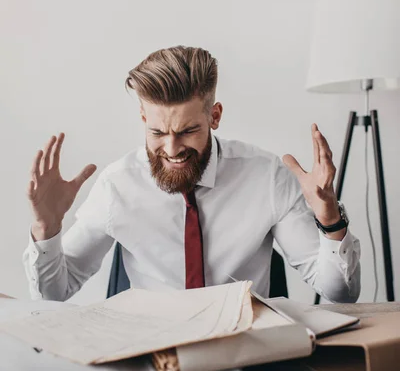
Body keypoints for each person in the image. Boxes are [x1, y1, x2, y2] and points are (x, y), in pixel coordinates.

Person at [23, 46, 360, 302]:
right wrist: (46, 228)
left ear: (214, 116)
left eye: (187, 131)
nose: (171, 149)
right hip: (154, 360)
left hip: (246, 354)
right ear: (143, 118)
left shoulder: (266, 177)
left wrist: (330, 218)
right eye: (157, 133)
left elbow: (339, 293)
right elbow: (56, 291)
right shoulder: (117, 186)